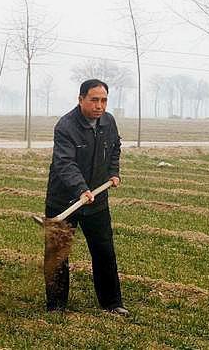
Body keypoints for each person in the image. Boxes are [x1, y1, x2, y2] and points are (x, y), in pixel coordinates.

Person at [44, 78, 128, 315]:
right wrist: (81, 188)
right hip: (65, 200)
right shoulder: (65, 126)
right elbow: (65, 163)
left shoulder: (108, 121)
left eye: (103, 100)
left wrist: (113, 172)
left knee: (104, 251)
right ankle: (56, 305)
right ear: (81, 99)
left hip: (97, 201)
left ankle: (112, 302)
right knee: (58, 253)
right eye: (94, 100)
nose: (99, 106)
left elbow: (115, 147)